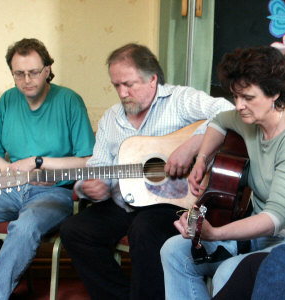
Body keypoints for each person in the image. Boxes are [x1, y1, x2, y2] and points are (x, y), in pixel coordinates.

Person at [160, 46, 285, 299]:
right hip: (264, 238)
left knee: (231, 272)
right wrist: (202, 159)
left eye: (247, 97)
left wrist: (216, 233)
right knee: (174, 251)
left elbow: (274, 218)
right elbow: (218, 122)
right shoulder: (251, 119)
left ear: (274, 93)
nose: (239, 105)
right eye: (235, 96)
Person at [59, 43, 234, 300]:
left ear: (152, 79)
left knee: (144, 230)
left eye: (129, 84)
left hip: (172, 202)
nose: (122, 92)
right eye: (116, 85)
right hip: (123, 202)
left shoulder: (179, 100)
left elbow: (227, 111)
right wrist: (90, 186)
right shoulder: (111, 118)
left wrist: (191, 147)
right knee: (74, 230)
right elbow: (97, 166)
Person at [0, 38, 95, 300]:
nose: (26, 79)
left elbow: (88, 162)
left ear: (46, 70)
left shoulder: (69, 101)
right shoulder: (8, 101)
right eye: (19, 73)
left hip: (53, 192)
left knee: (25, 226)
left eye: (33, 72)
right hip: (10, 189)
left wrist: (37, 161)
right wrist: (13, 172)